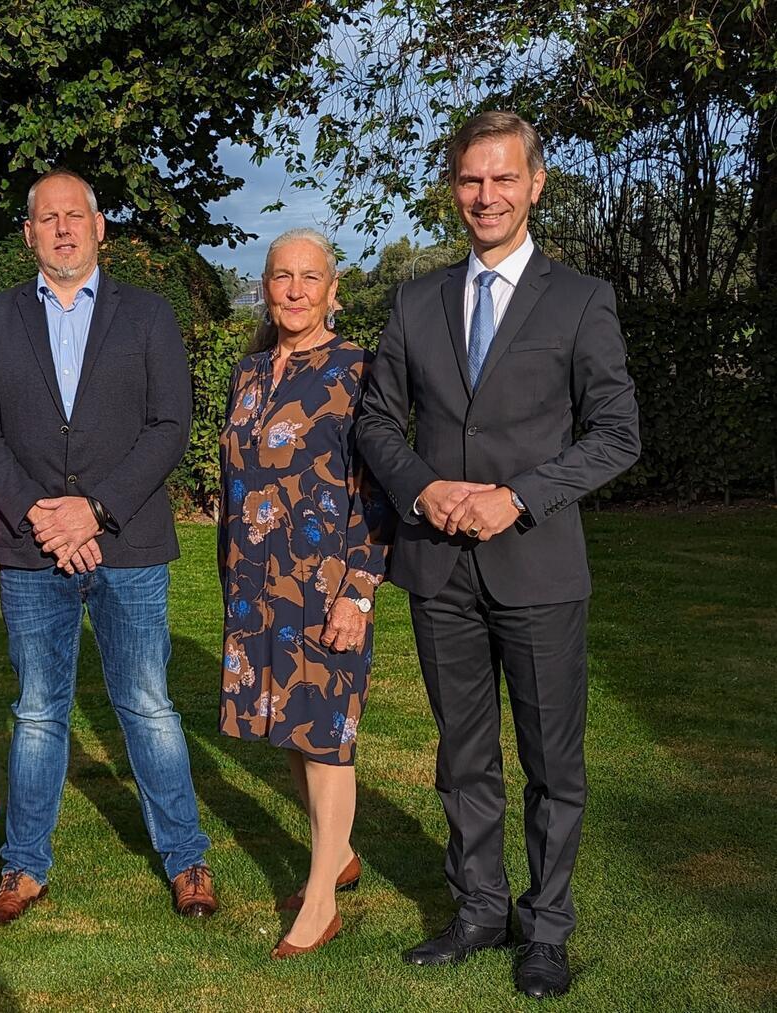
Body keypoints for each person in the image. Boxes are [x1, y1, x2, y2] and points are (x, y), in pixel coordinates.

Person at [355, 112, 640, 999]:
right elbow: (373, 421)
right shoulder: (414, 300)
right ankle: (479, 907)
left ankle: (546, 928)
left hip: (538, 563)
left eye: (503, 179)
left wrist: (519, 495)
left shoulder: (581, 299)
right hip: (438, 568)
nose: (487, 196)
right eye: (472, 181)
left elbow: (618, 432)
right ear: (455, 189)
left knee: (554, 762)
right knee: (463, 751)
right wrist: (422, 488)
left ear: (536, 184)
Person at [0, 168, 216, 927]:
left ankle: (187, 856)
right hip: (30, 543)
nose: (64, 228)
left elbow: (171, 424)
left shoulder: (148, 314)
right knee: (38, 711)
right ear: (29, 233)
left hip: (127, 543)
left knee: (148, 703)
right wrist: (44, 516)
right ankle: (24, 867)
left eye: (76, 215)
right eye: (48, 217)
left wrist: (94, 511)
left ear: (101, 227)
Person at [219, 228, 392, 960]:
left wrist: (360, 589)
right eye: (281, 276)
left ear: (333, 289)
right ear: (265, 286)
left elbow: (379, 487)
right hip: (254, 584)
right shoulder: (249, 371)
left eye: (308, 277)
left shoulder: (360, 370)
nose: (293, 289)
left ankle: (320, 903)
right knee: (288, 729)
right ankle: (340, 855)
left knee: (326, 738)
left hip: (325, 587)